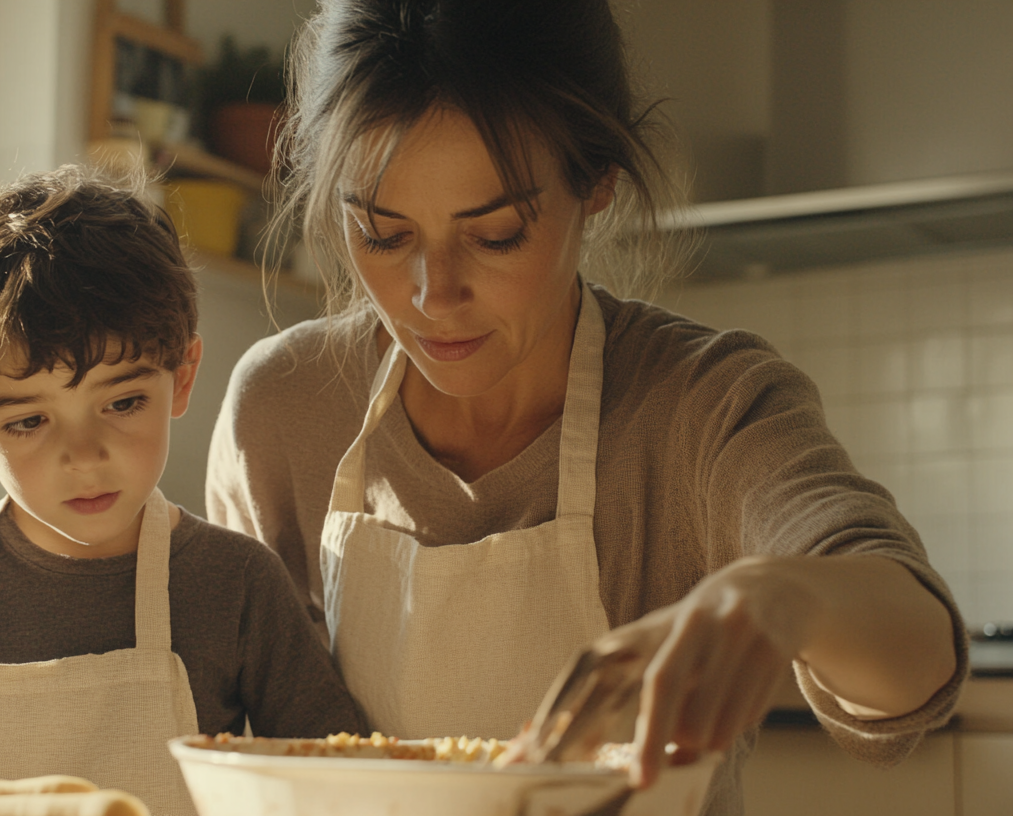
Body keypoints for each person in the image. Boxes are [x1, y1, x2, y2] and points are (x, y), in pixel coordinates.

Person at [205, 1, 965, 813]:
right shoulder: (281, 411)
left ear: (596, 181)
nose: (433, 296)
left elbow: (917, 655)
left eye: (495, 234)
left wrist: (792, 597)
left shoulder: (701, 406)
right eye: (382, 234)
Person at [0, 165, 365, 816]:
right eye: (28, 421)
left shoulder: (234, 584)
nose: (84, 456)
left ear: (181, 377)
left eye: (122, 402)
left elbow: (341, 770)